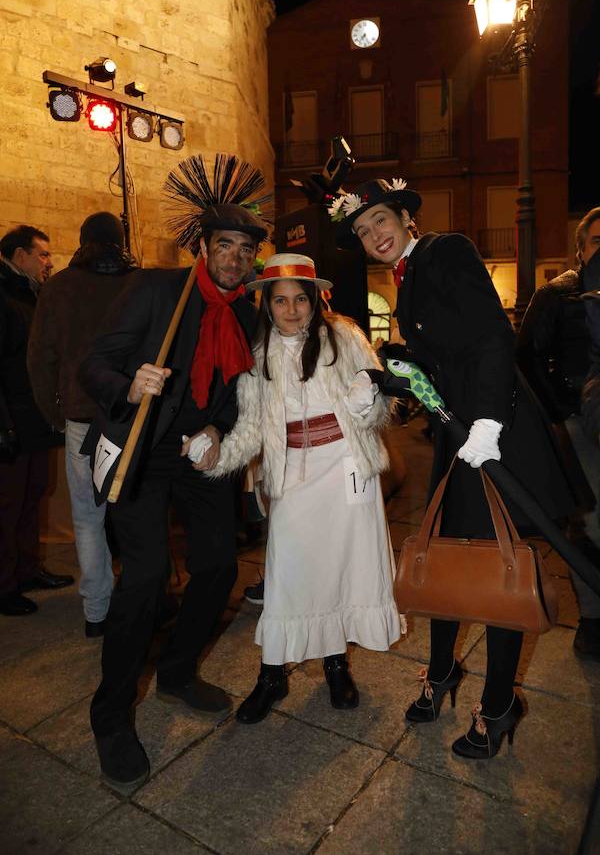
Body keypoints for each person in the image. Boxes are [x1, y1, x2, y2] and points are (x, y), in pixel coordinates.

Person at [329, 179, 575, 759]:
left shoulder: (447, 250)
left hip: (494, 434)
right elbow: (431, 361)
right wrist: (383, 378)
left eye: (381, 221)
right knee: (444, 555)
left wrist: (488, 422)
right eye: (363, 232)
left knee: (498, 568)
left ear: (407, 219)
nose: (374, 236)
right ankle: (441, 674)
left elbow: (491, 337)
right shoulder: (409, 277)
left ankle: (498, 704)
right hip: (456, 434)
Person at [77, 154, 270, 793]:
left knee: (218, 564)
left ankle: (179, 672)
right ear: (204, 248)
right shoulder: (159, 290)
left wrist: (217, 427)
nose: (236, 259)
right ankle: (110, 715)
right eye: (225, 246)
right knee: (148, 577)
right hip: (140, 449)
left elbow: (234, 390)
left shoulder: (245, 312)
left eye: (246, 250)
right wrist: (130, 386)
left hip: (194, 452)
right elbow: (93, 364)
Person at [206, 252, 403, 724]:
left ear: (315, 299)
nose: (291, 309)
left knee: (341, 569)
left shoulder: (346, 337)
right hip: (294, 473)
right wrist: (218, 457)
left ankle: (337, 665)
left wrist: (369, 402)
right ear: (266, 304)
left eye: (300, 299)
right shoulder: (256, 355)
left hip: (345, 468)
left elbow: (380, 404)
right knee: (289, 576)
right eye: (280, 300)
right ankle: (271, 674)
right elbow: (252, 427)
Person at [27, 212, 138, 638]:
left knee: (88, 517)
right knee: (134, 510)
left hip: (80, 418)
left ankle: (97, 612)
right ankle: (143, 597)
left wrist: (54, 414)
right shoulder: (136, 282)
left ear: (82, 239)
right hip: (129, 415)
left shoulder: (57, 288)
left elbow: (39, 360)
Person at [517, 206, 600, 662]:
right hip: (578, 425)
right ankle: (592, 618)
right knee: (589, 524)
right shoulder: (557, 294)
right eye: (598, 241)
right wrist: (562, 413)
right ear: (581, 248)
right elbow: (526, 356)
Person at [0, 225, 73, 617]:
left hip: (35, 419)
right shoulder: (4, 297)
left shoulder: (33, 296)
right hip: (11, 422)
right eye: (42, 254)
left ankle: (26, 571)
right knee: (7, 505)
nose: (49, 261)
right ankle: (4, 584)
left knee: (33, 496)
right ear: (18, 255)